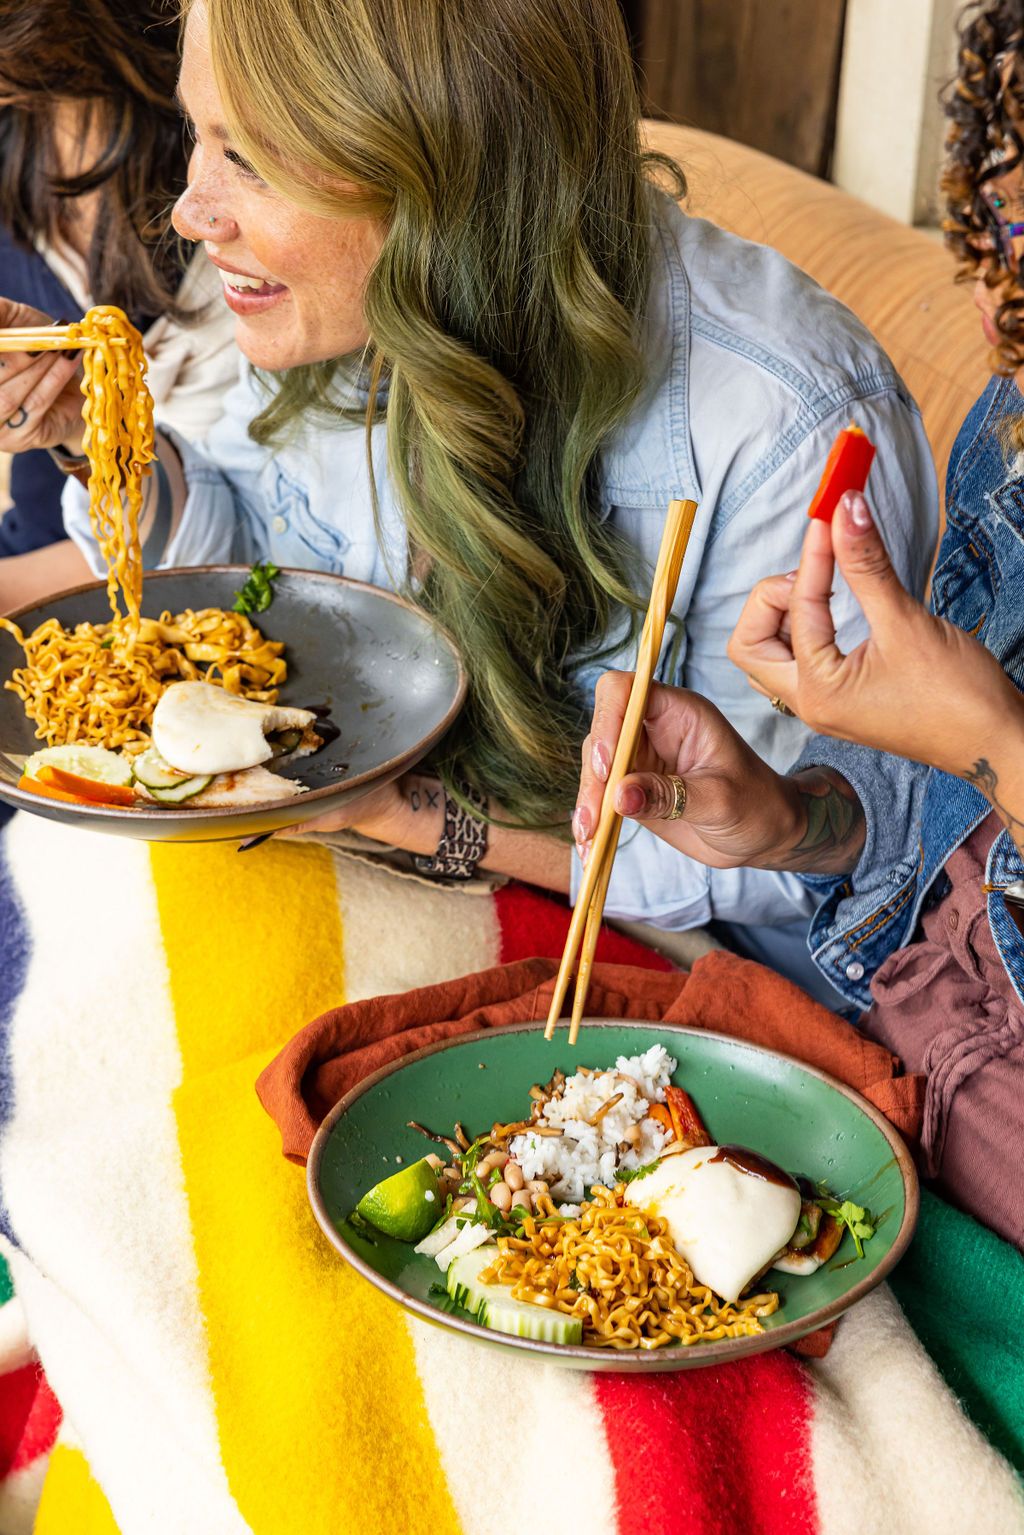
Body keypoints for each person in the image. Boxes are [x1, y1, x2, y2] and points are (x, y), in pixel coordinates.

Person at [0, 0, 936, 1002]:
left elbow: (817, 863)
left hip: (678, 982)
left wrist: (416, 820)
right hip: (373, 867)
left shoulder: (784, 421)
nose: (191, 211)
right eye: (201, 136)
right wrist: (94, 448)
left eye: (253, 161)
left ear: (445, 167)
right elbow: (260, 584)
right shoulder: (307, 298)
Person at [572, 0, 1024, 1246]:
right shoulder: (1016, 421)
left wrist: (990, 737)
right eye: (984, 227)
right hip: (875, 1098)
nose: (991, 302)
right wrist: (788, 816)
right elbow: (923, 888)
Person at [0, 0, 238, 612]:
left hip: (145, 600)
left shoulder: (222, 209)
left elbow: (226, 545)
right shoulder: (19, 135)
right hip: (34, 547)